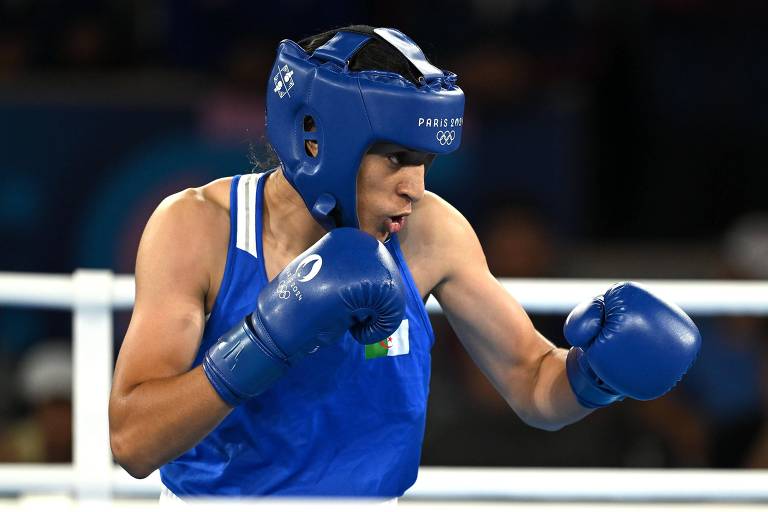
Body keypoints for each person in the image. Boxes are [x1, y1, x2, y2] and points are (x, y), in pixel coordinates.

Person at [108, 25, 701, 499]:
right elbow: (133, 442)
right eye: (395, 159)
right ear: (315, 140)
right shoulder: (199, 227)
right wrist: (264, 342)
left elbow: (534, 384)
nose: (414, 188)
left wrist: (595, 377)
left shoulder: (431, 232)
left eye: (426, 162)